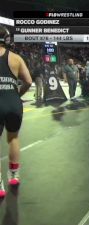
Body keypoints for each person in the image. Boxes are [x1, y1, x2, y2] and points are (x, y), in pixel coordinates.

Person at [0, 25, 32, 197]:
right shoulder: (16, 58)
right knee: (13, 137)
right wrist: (16, 94)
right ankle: (13, 175)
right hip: (13, 103)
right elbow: (28, 81)